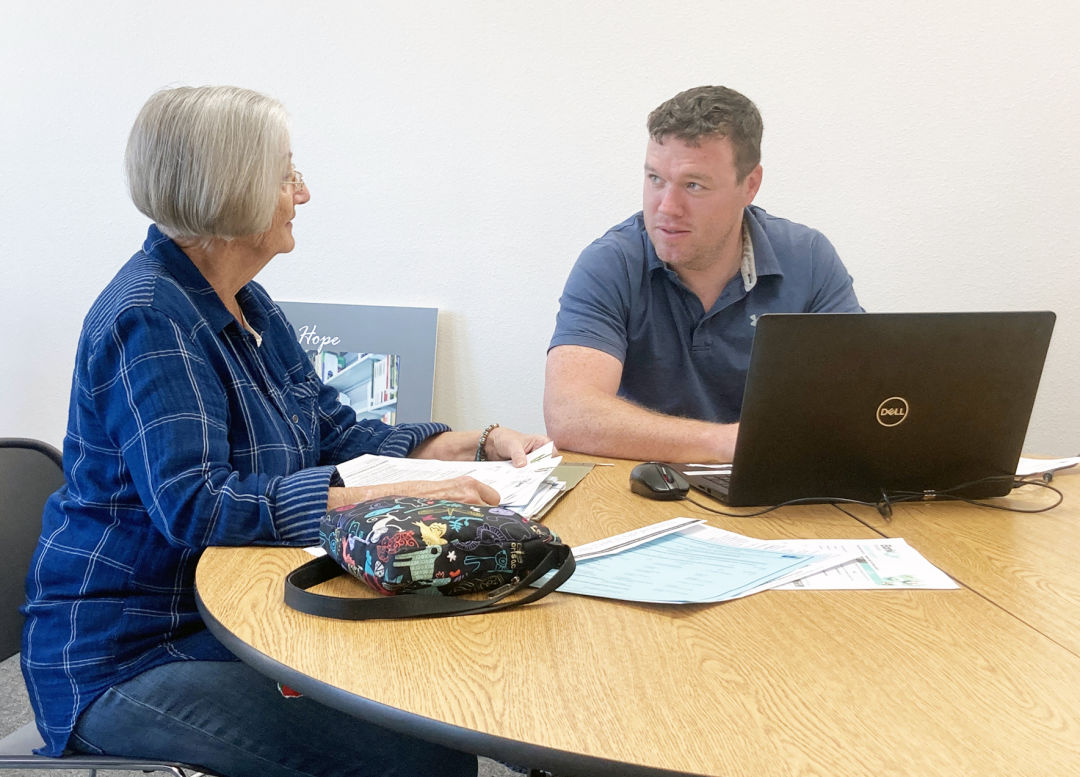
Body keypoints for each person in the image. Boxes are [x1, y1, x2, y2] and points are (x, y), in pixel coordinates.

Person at [20, 85, 548, 777]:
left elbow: (336, 432)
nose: (303, 193)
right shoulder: (148, 317)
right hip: (127, 657)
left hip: (231, 620)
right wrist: (389, 498)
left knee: (431, 703)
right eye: (285, 174)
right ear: (233, 187)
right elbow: (196, 504)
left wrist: (478, 442)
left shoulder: (246, 301)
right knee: (419, 756)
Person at [545, 85, 862, 463]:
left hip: (771, 490)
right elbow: (569, 414)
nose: (666, 207)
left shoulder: (807, 258)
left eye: (693, 185)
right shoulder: (610, 263)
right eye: (655, 179)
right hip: (642, 490)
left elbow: (856, 401)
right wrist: (729, 444)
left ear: (750, 185)